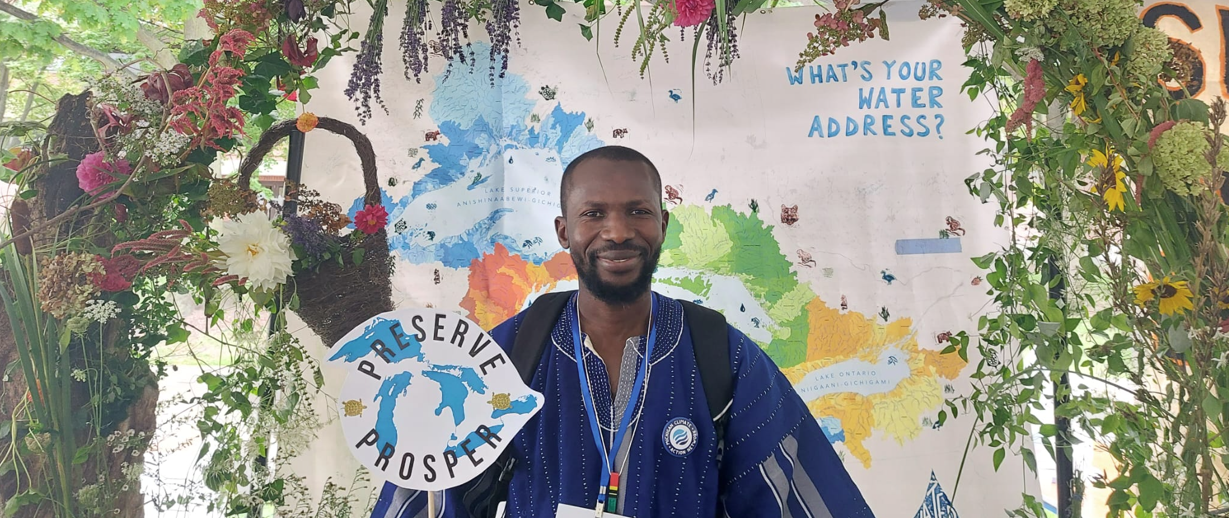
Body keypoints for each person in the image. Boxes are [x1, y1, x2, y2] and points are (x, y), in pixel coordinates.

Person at [370, 146, 875, 518]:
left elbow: (793, 495)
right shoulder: (507, 355)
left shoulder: (719, 354)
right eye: (594, 214)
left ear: (663, 224)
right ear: (564, 231)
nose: (617, 232)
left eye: (638, 211)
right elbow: (433, 493)